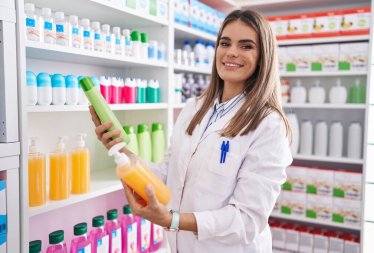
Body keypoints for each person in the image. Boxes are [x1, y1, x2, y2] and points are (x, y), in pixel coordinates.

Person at [90, 9, 292, 253]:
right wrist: (120, 150)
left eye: (246, 46)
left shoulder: (268, 124)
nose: (231, 52)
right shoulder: (193, 108)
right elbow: (167, 172)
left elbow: (248, 221)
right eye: (224, 43)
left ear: (263, 57)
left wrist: (172, 220)